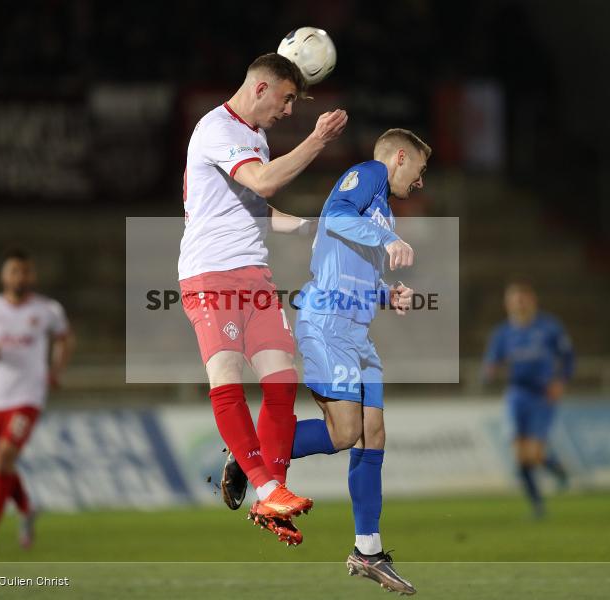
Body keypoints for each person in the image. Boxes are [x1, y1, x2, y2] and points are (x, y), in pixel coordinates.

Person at [224, 128, 428, 594]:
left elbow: (346, 269)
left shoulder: (381, 211)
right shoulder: (370, 175)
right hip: (327, 325)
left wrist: (385, 292)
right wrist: (386, 239)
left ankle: (368, 550)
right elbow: (334, 217)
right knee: (346, 433)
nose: (419, 181)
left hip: (356, 331)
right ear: (401, 157)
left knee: (371, 433)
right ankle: (250, 453)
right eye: (419, 169)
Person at [179, 52, 347, 545]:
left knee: (280, 383)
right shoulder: (216, 128)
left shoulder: (254, 137)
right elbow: (264, 180)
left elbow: (259, 205)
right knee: (227, 376)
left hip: (254, 275)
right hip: (211, 274)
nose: (290, 109)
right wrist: (317, 139)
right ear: (260, 88)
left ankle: (271, 498)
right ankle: (267, 486)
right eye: (287, 97)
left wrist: (314, 228)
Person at [0, 248, 74, 554]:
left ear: (32, 275)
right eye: (14, 271)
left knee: (3, 457)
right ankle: (26, 510)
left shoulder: (46, 309)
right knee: (4, 463)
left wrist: (55, 371)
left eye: (25, 272)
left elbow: (65, 338)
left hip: (28, 395)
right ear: (4, 276)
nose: (20, 277)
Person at [482, 280, 575, 518]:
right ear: (507, 304)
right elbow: (492, 361)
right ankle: (538, 507)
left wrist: (560, 381)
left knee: (533, 454)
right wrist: (490, 370)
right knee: (521, 457)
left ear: (532, 300)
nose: (519, 303)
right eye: (514, 299)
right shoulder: (503, 333)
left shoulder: (549, 327)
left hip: (542, 396)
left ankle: (556, 468)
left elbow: (568, 357)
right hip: (517, 395)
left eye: (523, 298)